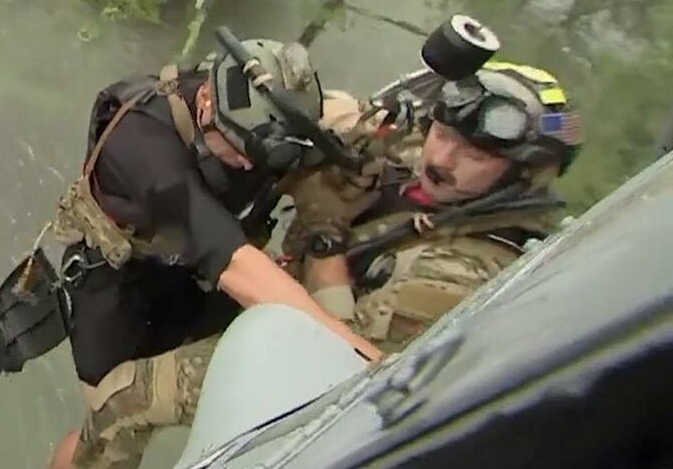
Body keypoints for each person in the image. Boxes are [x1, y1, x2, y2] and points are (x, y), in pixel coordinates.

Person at [44, 37, 382, 469]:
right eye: (239, 149)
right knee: (106, 420)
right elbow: (235, 263)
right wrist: (360, 358)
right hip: (122, 283)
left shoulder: (261, 115)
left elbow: (340, 117)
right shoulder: (144, 146)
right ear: (205, 99)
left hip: (199, 280)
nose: (246, 164)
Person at [290, 61, 581, 353]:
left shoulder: (467, 273)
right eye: (442, 134)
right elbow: (358, 118)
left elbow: (349, 363)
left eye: (475, 156)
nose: (442, 160)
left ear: (521, 176)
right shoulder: (432, 167)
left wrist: (323, 237)